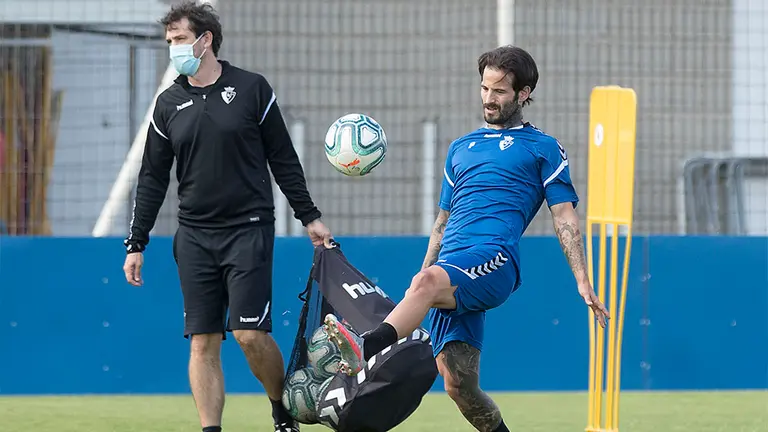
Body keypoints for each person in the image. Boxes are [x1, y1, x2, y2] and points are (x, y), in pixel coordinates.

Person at [323, 45, 610, 432]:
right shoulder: (461, 148)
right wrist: (421, 280)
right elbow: (442, 223)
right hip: (449, 269)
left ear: (523, 94)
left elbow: (564, 217)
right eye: (484, 88)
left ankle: (364, 349)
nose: (489, 99)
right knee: (458, 383)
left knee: (427, 289)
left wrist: (581, 278)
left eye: (500, 92)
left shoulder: (542, 148)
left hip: (494, 261)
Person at [121, 2, 332, 431]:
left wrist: (309, 216)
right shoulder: (167, 105)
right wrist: (136, 242)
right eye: (169, 42)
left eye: (179, 40)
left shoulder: (253, 89)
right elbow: (152, 178)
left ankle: (281, 408)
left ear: (205, 39)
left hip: (248, 230)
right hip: (195, 237)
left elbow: (283, 159)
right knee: (203, 342)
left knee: (249, 335)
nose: (173, 49)